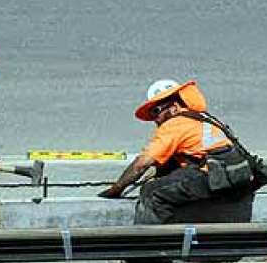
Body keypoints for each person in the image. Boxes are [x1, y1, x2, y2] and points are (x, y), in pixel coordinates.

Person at [98, 79, 257, 225]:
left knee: (151, 192)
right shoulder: (201, 118)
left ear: (174, 107)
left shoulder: (175, 124)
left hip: (214, 176)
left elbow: (141, 164)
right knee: (168, 182)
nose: (156, 119)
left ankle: (149, 249)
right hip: (231, 175)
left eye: (156, 111)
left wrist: (116, 189)